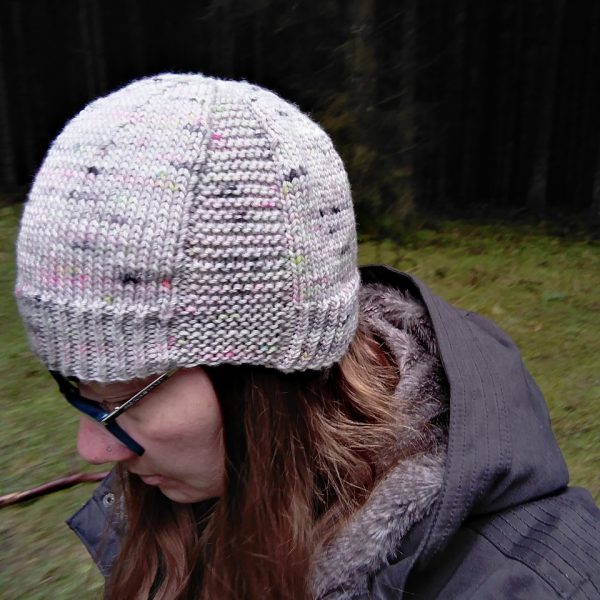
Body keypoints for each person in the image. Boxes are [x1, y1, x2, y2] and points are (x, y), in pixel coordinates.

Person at [14, 73, 600, 600]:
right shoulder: (187, 498)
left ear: (273, 376)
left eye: (128, 396)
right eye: (78, 389)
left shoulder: (537, 580)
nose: (92, 449)